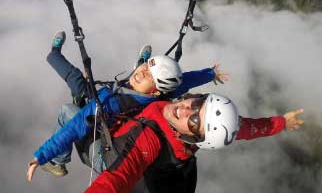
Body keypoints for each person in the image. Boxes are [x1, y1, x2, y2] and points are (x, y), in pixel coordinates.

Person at [24, 93, 304, 193]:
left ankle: (57, 162)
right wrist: (281, 123)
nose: (185, 108)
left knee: (71, 113)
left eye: (193, 119)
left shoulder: (150, 141)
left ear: (194, 137)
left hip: (106, 156)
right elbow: (245, 128)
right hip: (145, 163)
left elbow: (110, 189)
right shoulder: (198, 128)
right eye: (197, 101)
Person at [29, 31, 228, 179]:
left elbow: (74, 128)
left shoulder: (111, 103)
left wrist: (43, 156)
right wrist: (210, 73)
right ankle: (54, 53)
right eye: (146, 66)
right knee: (83, 83)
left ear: (155, 91)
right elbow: (186, 80)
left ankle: (57, 163)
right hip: (111, 121)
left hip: (103, 153)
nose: (142, 72)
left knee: (67, 109)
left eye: (149, 75)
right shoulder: (163, 93)